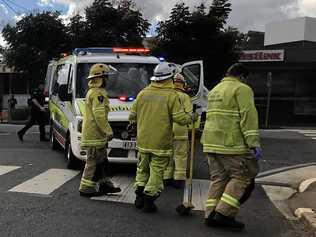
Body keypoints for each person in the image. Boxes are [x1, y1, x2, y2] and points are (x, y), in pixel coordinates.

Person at [128, 62, 197, 213]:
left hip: (143, 140)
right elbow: (180, 119)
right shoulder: (171, 96)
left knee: (142, 169)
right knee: (157, 171)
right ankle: (149, 201)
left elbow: (132, 115)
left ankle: (138, 196)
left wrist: (136, 125)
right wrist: (192, 116)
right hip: (160, 142)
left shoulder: (143, 93)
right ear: (170, 78)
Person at [202, 63, 262, 230]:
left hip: (210, 143)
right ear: (242, 76)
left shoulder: (215, 90)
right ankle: (222, 214)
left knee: (218, 179)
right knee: (242, 177)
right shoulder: (242, 89)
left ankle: (210, 214)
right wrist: (254, 143)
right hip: (231, 144)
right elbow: (248, 116)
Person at [79, 63, 121, 197]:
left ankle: (105, 185)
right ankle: (85, 188)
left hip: (95, 134)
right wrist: (108, 131)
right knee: (93, 162)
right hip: (94, 135)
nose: (108, 80)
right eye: (106, 77)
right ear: (100, 78)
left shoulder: (94, 92)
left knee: (102, 161)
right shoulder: (98, 94)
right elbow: (99, 115)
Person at [163, 73, 192, 188]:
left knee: (167, 155)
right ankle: (179, 180)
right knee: (180, 155)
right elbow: (189, 114)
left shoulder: (166, 95)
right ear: (182, 84)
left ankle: (166, 178)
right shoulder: (185, 97)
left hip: (166, 129)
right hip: (180, 129)